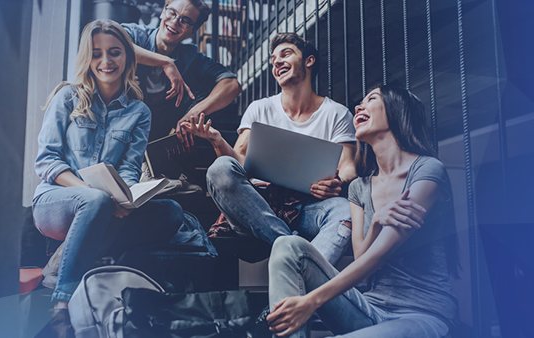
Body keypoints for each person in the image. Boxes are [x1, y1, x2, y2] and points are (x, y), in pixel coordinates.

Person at [266, 85, 460, 337]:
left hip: (421, 314)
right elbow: (363, 260)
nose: (359, 105)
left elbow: (379, 256)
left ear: (396, 110)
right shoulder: (360, 186)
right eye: (360, 100)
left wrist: (311, 301)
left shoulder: (427, 170)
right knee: (287, 245)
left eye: (372, 99)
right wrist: (376, 223)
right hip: (371, 308)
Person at [32, 19, 186, 311]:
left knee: (171, 212)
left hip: (104, 205)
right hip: (54, 202)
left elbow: (128, 168)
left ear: (127, 56)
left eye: (114, 52)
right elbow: (47, 162)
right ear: (86, 57)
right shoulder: (67, 97)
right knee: (96, 201)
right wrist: (97, 195)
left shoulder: (139, 112)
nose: (106, 60)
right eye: (96, 52)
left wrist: (124, 197)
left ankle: (66, 257)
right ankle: (63, 301)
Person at [181, 33, 357, 266]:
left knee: (344, 210)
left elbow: (348, 166)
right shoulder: (259, 108)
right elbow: (238, 164)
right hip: (257, 205)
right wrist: (217, 141)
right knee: (219, 168)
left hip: (308, 206)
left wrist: (339, 182)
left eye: (286, 54)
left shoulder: (336, 113)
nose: (276, 62)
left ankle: (300, 270)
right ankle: (293, 251)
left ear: (309, 61)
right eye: (273, 59)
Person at [122, 0, 242, 145]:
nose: (175, 22)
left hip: (154, 140)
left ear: (193, 30)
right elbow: (107, 44)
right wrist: (165, 62)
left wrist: (195, 113)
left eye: (185, 21)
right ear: (162, 12)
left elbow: (232, 84)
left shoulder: (191, 58)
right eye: (172, 13)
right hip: (116, 128)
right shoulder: (136, 35)